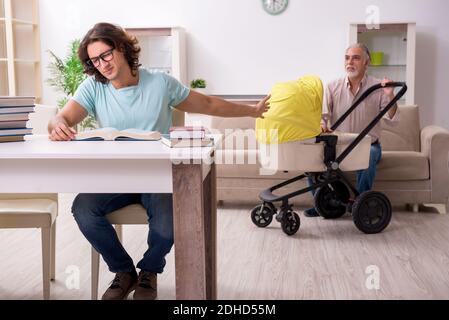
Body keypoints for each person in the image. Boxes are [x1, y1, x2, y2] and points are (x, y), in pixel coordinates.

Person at [48, 22, 270, 300]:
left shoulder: (160, 83)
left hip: (159, 178)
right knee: (83, 209)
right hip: (116, 178)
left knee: (167, 229)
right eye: (94, 60)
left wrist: (252, 110)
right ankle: (124, 271)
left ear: (121, 48)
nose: (101, 65)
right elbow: (63, 117)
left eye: (105, 55)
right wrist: (57, 123)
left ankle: (149, 271)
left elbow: (209, 105)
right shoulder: (93, 87)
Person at [304, 43, 399, 218]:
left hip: (368, 145)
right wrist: (321, 124)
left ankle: (360, 204)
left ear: (366, 63)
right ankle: (322, 202)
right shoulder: (333, 86)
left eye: (356, 58)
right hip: (338, 146)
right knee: (311, 157)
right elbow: (323, 116)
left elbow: (392, 120)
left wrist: (390, 94)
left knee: (369, 154)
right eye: (347, 58)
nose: (350, 62)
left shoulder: (379, 87)